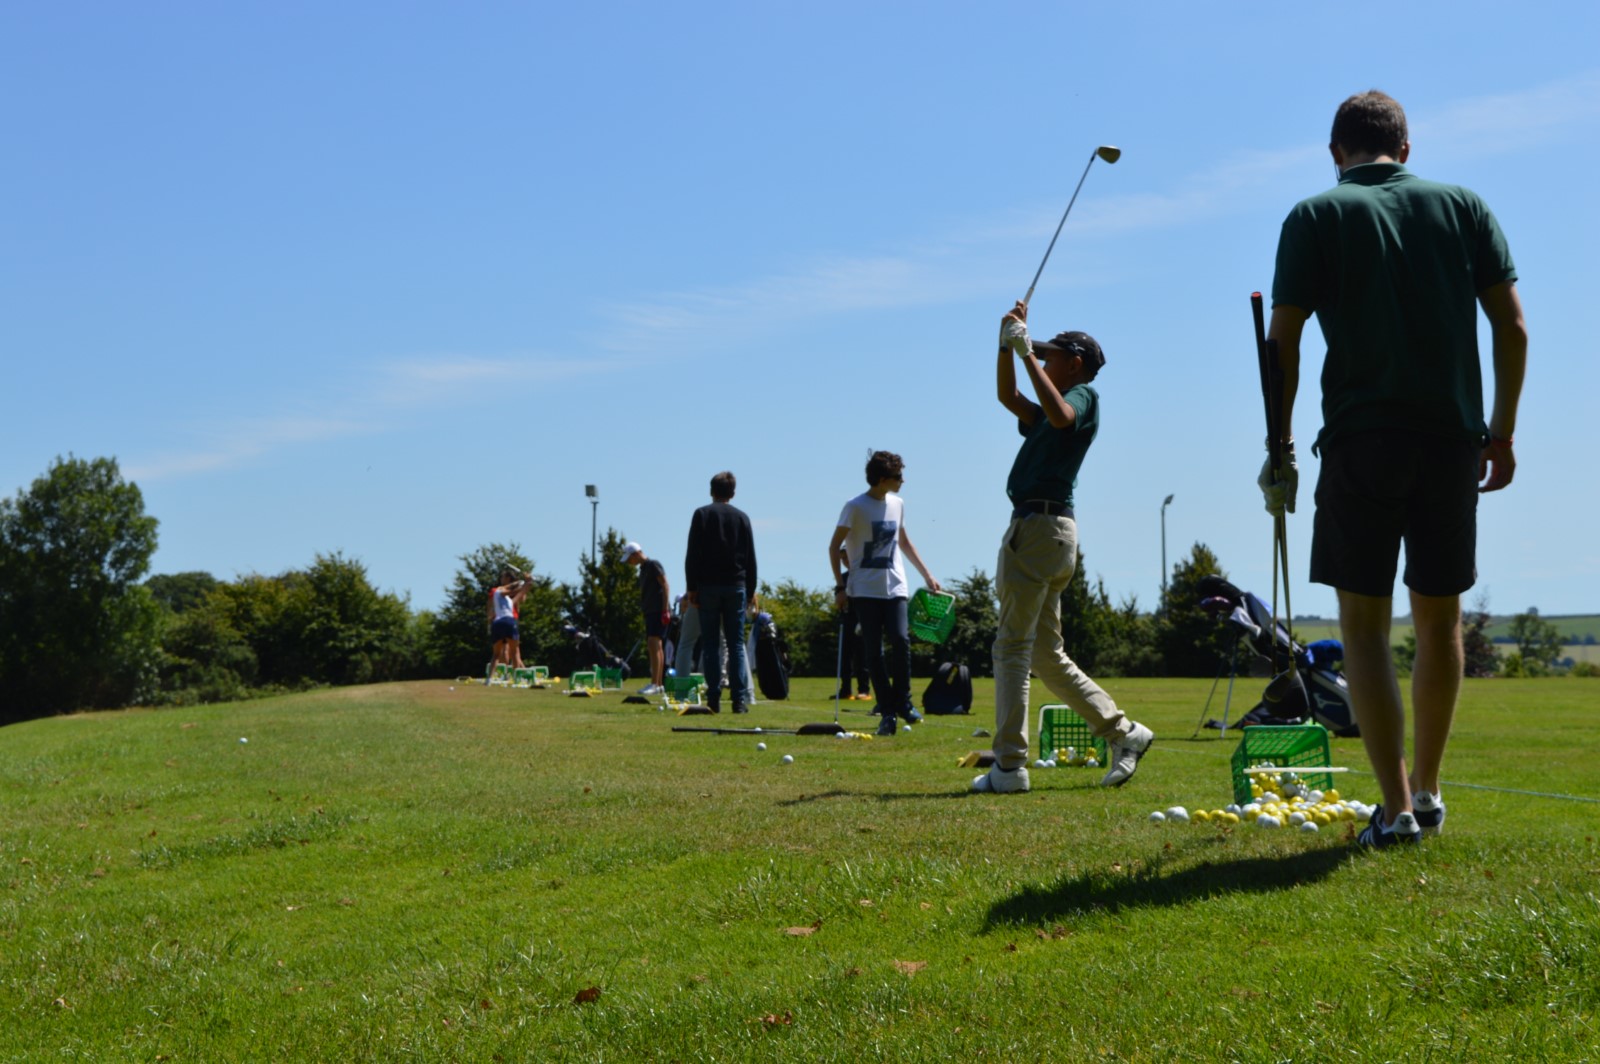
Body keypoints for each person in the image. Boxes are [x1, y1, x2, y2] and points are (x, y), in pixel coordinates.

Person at [1264, 90, 1527, 847]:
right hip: (1451, 440)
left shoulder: (1314, 215)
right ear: (1405, 149)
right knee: (1439, 618)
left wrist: (1278, 444)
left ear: (1335, 152)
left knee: (1366, 628)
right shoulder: (1464, 205)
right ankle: (1432, 790)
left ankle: (1396, 809)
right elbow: (1512, 329)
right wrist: (1499, 434)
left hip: (1361, 439)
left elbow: (1282, 344)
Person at [978, 303, 1154, 793]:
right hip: (1045, 532)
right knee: (1045, 654)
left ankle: (1009, 767)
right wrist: (1006, 346)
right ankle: (1124, 733)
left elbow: (1058, 414)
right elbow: (1008, 395)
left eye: (1049, 356)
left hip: (1039, 529)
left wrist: (1022, 349)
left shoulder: (1082, 395)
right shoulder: (1055, 397)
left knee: (1010, 648)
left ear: (1073, 362)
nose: (1041, 360)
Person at [828, 451, 941, 736]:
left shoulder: (898, 503)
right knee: (873, 652)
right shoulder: (855, 507)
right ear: (882, 479)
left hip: (896, 586)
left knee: (901, 641)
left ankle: (904, 702)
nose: (903, 481)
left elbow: (903, 541)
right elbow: (833, 547)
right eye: (898, 476)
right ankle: (887, 709)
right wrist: (840, 588)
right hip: (864, 589)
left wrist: (927, 574)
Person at [685, 471, 758, 713]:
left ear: (711, 491)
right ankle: (738, 700)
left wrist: (691, 588)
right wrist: (751, 590)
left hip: (708, 586)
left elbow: (692, 554)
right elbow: (750, 558)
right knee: (735, 644)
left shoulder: (702, 514)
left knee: (711, 644)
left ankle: (713, 698)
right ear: (733, 493)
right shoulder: (742, 518)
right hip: (736, 585)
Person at [622, 542, 669, 696]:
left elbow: (665, 585)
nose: (629, 562)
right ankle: (658, 684)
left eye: (629, 558)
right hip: (650, 612)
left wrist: (665, 610)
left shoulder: (653, 565)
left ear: (635, 554)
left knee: (653, 643)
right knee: (656, 645)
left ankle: (655, 684)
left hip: (658, 611)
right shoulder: (642, 570)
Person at [834, 551, 872, 702]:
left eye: (847, 557)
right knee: (844, 658)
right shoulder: (842, 578)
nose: (845, 560)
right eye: (842, 558)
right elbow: (838, 600)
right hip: (846, 620)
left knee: (861, 657)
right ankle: (845, 690)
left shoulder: (865, 576)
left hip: (861, 620)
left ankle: (864, 690)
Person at [488, 569, 532, 674]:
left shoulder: (499, 590)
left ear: (508, 578)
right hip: (512, 619)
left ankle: (505, 673)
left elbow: (491, 605)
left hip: (504, 618)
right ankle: (518, 672)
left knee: (505, 649)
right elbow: (523, 597)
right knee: (514, 649)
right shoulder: (513, 588)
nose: (501, 579)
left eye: (502, 577)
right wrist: (526, 582)